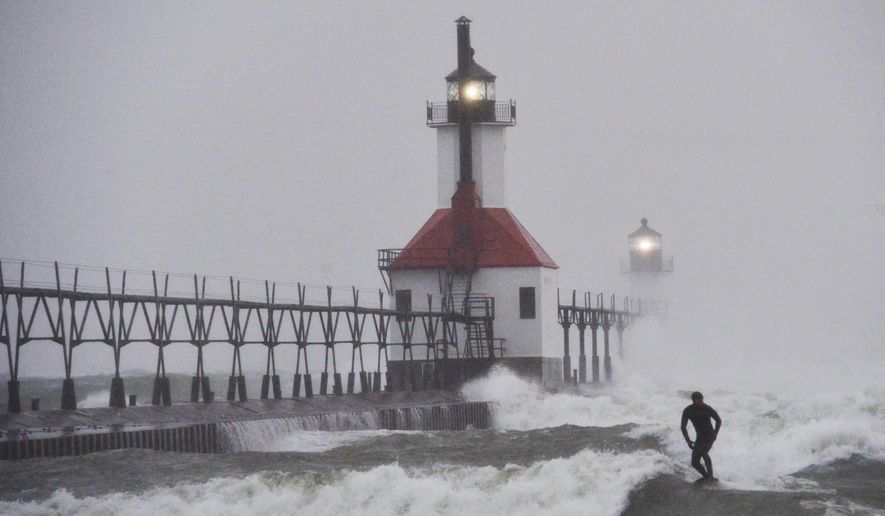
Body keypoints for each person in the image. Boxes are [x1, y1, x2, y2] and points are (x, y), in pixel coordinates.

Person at [681, 391, 721, 482]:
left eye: (702, 399)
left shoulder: (707, 408)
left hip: (710, 435)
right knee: (694, 462)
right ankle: (706, 476)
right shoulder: (688, 410)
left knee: (703, 451)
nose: (702, 402)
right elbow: (683, 427)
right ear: (694, 400)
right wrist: (688, 441)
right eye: (700, 400)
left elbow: (718, 420)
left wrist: (715, 434)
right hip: (700, 437)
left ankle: (710, 476)